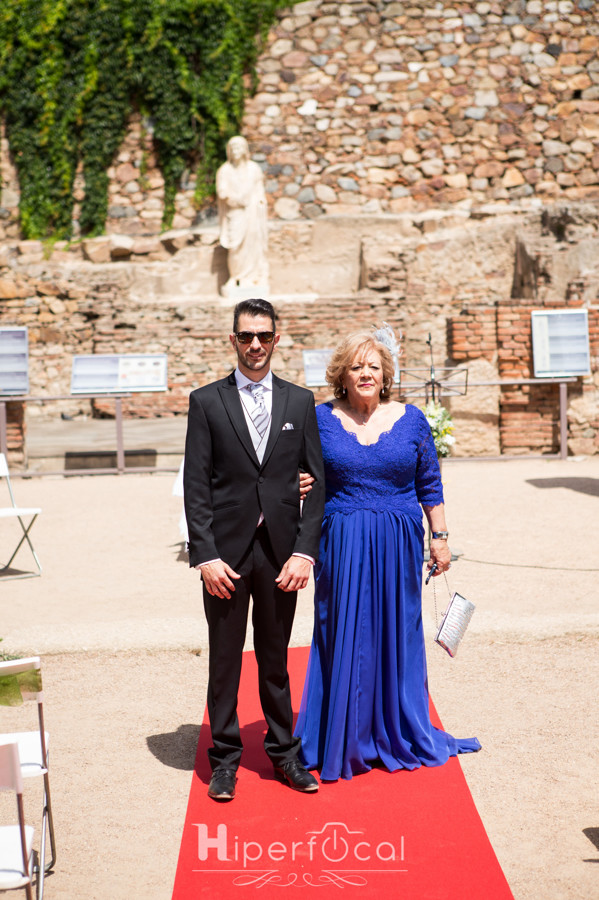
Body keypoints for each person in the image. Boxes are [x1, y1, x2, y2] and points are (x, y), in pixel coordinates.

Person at [294, 329, 480, 781]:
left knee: (396, 631)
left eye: (373, 367)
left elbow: (429, 484)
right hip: (340, 540)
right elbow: (297, 473)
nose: (365, 374)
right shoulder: (319, 419)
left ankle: (395, 729)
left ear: (386, 374)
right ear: (341, 373)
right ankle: (342, 733)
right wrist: (294, 483)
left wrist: (440, 537)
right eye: (356, 367)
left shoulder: (412, 419)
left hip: (398, 542)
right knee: (341, 631)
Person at [183, 298, 325, 801]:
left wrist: (304, 552)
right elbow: (195, 485)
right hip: (225, 555)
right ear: (233, 340)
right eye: (246, 336)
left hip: (280, 554)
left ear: (277, 339)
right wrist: (205, 556)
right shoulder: (205, 402)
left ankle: (285, 754)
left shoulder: (299, 402)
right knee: (224, 660)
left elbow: (318, 482)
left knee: (275, 659)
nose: (255, 345)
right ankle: (224, 760)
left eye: (264, 336)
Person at [216, 135, 269, 298]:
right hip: (235, 213)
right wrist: (235, 199)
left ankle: (253, 278)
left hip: (251, 212)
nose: (236, 151)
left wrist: (257, 203)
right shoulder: (224, 170)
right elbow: (222, 192)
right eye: (233, 148)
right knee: (235, 246)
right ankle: (237, 277)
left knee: (253, 244)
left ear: (245, 150)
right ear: (229, 152)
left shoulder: (254, 169)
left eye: (239, 148)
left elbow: (260, 192)